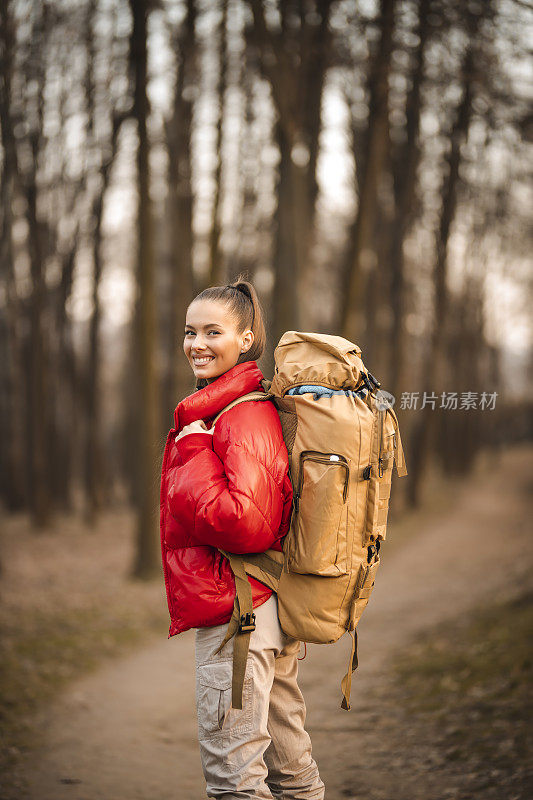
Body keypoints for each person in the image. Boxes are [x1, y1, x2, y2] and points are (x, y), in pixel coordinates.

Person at [159, 276, 325, 799]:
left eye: (213, 331)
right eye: (190, 331)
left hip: (239, 617)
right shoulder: (222, 410)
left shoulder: (241, 414)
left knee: (235, 781)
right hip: (259, 610)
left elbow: (245, 523)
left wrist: (190, 455)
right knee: (291, 773)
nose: (197, 344)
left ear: (247, 338)